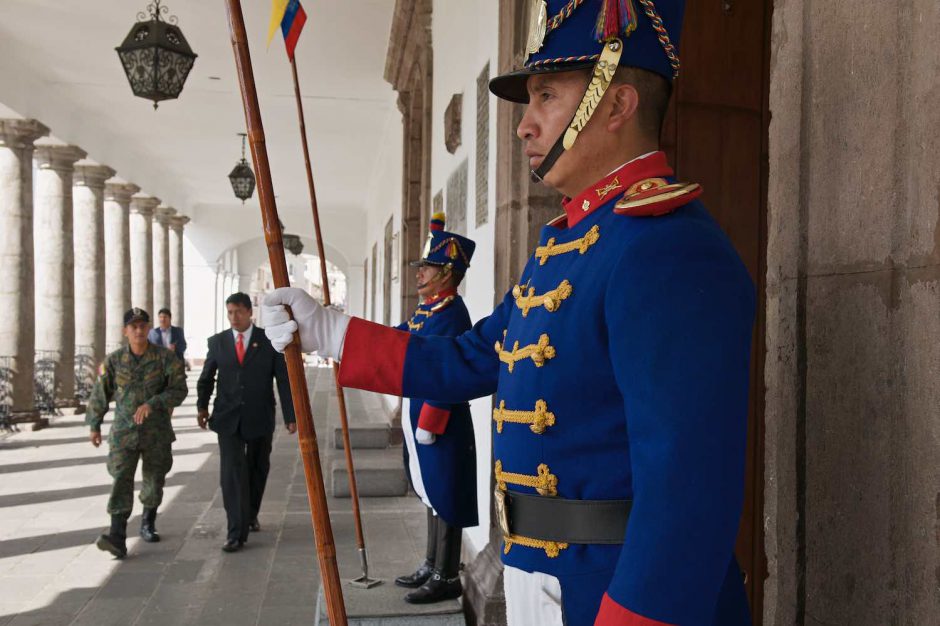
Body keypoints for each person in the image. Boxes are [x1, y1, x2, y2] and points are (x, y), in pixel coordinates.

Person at [262, 1, 756, 624]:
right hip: (541, 576)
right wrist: (328, 330)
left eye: (546, 95)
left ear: (617, 103)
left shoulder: (668, 248)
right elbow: (468, 357)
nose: (524, 125)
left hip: (615, 591)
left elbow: (689, 488)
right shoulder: (565, 248)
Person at [391, 213, 478, 604]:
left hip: (439, 422)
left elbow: (450, 372)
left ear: (446, 274)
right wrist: (350, 336)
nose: (419, 274)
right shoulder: (429, 311)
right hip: (418, 416)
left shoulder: (452, 314)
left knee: (446, 493)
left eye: (426, 268)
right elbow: (400, 338)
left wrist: (431, 419)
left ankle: (447, 574)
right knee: (429, 492)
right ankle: (432, 561)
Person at [196, 292, 296, 553]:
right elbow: (206, 377)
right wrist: (202, 407)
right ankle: (235, 532)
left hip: (259, 415)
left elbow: (283, 381)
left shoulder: (267, 341)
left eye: (238, 311)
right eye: (230, 312)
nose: (234, 317)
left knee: (257, 467)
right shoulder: (218, 343)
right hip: (227, 418)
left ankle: (250, 514)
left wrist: (291, 416)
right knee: (231, 473)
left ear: (249, 312)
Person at [87, 307, 188, 558]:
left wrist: (153, 404)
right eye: (134, 327)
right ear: (125, 331)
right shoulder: (114, 360)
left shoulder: (166, 359)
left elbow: (179, 390)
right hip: (124, 433)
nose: (139, 330)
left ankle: (147, 523)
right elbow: (101, 394)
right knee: (121, 479)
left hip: (156, 432)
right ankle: (117, 535)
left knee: (154, 480)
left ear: (149, 328)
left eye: (143, 325)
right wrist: (94, 424)